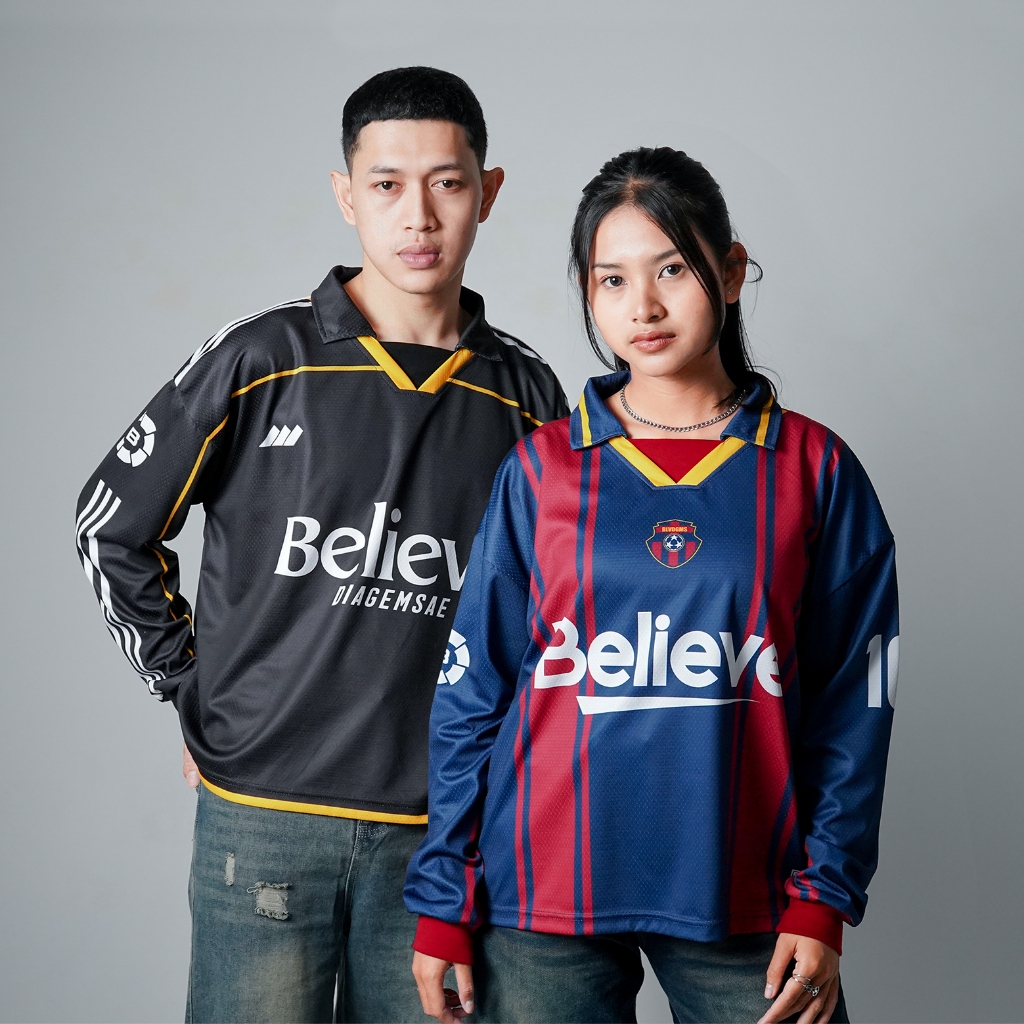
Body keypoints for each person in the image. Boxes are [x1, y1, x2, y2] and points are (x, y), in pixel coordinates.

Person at [75, 66, 567, 1023]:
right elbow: (109, 524)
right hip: (264, 817)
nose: (417, 214)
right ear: (347, 195)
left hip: (440, 834)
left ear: (488, 192)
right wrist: (187, 685)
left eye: (447, 182)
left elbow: (554, 614)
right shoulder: (262, 357)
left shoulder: (527, 396)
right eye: (386, 184)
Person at [406, 146, 898, 1024]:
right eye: (612, 280)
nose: (644, 306)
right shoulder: (542, 469)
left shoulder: (814, 469)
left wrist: (825, 894)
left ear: (732, 272)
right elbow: (473, 690)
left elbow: (855, 708)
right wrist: (445, 894)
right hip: (541, 893)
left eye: (672, 269)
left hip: (745, 892)